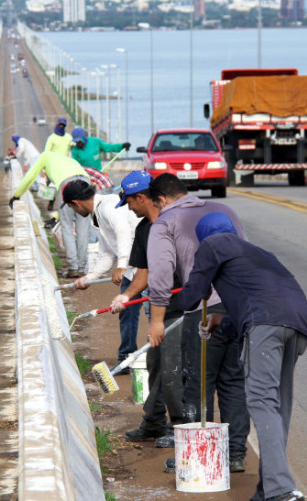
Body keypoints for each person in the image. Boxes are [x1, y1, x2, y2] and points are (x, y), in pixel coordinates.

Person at [178, 212, 307, 501]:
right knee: (277, 407)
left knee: (262, 402)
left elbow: (190, 297)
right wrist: (218, 320)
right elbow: (252, 299)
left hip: (266, 324)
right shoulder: (258, 253)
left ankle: (281, 491)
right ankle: (268, 490)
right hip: (297, 322)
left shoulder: (213, 245)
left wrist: (201, 283)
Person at [145, 173, 249, 472]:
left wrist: (157, 321)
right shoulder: (225, 211)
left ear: (161, 200)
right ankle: (235, 454)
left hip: (204, 311)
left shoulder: (166, 222)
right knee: (233, 381)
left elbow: (162, 275)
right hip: (239, 307)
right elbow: (245, 254)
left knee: (198, 384)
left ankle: (195, 455)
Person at [110, 171, 187, 444]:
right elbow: (143, 272)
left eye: (130, 202)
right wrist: (127, 296)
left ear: (142, 197)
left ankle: (181, 429)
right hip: (159, 307)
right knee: (156, 364)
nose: (129, 208)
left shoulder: (178, 223)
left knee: (173, 369)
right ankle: (154, 422)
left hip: (183, 307)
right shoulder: (144, 229)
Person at [64, 179, 141, 368]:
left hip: (146, 265)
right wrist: (89, 277)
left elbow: (123, 231)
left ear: (76, 202)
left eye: (71, 208)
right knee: (126, 311)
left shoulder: (108, 205)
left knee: (154, 310)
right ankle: (127, 358)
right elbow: (107, 252)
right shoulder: (96, 215)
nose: (74, 212)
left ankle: (157, 362)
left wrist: (121, 265)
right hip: (131, 269)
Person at [9, 151, 91, 278]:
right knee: (83, 228)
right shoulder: (68, 159)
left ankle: (73, 268)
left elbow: (30, 177)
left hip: (67, 184)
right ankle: (82, 268)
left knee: (67, 227)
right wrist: (56, 217)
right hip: (85, 182)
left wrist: (17, 195)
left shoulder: (45, 156)